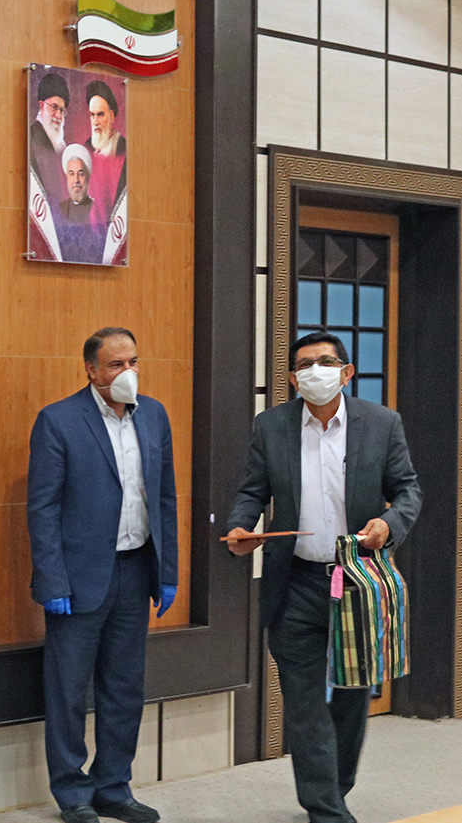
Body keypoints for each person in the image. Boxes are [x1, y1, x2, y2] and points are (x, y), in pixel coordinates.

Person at [225, 331, 421, 823]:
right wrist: (241, 526)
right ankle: (325, 809)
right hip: (295, 581)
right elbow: (252, 491)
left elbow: (407, 491)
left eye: (326, 362)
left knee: (354, 693)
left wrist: (389, 525)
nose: (315, 370)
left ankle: (335, 788)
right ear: (293, 379)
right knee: (304, 701)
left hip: (357, 577)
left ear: (346, 372)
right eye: (305, 364)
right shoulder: (271, 425)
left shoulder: (382, 423)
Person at [26, 327, 177, 823]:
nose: (127, 373)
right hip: (78, 579)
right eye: (115, 365)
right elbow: (43, 509)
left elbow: (165, 498)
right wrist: (51, 580)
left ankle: (114, 786)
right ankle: (72, 792)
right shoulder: (59, 420)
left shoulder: (153, 415)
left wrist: (167, 571)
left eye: (133, 362)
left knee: (124, 688)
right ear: (91, 370)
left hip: (135, 570)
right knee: (68, 691)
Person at [81, 81, 126, 230]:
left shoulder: (125, 150)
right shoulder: (85, 150)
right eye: (92, 115)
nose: (95, 122)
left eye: (100, 115)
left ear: (111, 116)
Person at [59, 144, 94, 225]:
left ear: (88, 177)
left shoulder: (97, 209)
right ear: (67, 177)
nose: (76, 180)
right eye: (72, 174)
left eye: (81, 174)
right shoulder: (60, 209)